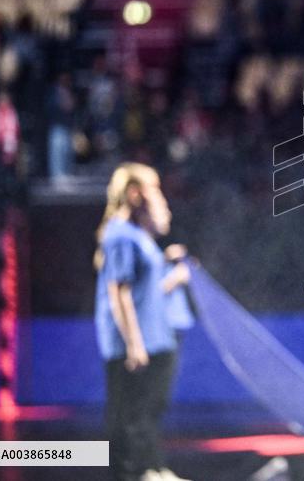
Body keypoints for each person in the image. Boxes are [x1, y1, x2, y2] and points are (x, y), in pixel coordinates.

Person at [93, 163, 191, 481]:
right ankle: (135, 472)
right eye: (153, 188)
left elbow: (141, 284)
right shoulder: (121, 234)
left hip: (145, 335)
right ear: (135, 194)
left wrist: (164, 263)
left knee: (144, 410)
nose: (158, 195)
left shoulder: (135, 234)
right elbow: (118, 292)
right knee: (129, 414)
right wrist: (134, 343)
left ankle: (150, 468)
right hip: (129, 342)